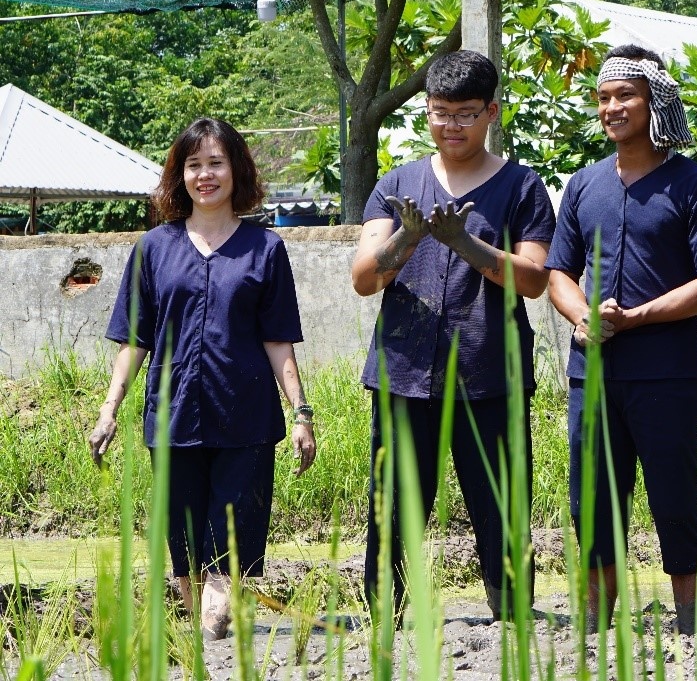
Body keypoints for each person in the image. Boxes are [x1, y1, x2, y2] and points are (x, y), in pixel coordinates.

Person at [88, 117, 315, 641]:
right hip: (172, 420)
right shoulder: (153, 249)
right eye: (194, 165)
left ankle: (215, 635)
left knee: (229, 551)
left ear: (236, 171)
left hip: (247, 421)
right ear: (179, 175)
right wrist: (108, 411)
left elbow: (278, 340)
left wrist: (301, 413)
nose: (205, 175)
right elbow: (134, 340)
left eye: (216, 163)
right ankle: (209, 643)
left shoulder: (266, 250)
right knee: (185, 548)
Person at [350, 50, 555, 619]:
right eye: (440, 113)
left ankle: (511, 611)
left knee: (501, 503)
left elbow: (535, 280)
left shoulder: (522, 187)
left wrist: (468, 245)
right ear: (426, 111)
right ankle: (384, 614)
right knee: (392, 505)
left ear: (491, 111)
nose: (452, 126)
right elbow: (365, 278)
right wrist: (406, 239)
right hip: (403, 374)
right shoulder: (397, 184)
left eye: (466, 113)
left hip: (489, 374)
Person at [546, 44, 697, 636]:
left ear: (655, 101)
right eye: (603, 98)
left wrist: (636, 317)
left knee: (674, 495)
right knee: (592, 499)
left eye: (624, 95)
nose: (612, 107)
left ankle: (692, 624)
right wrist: (583, 317)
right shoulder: (582, 186)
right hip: (592, 376)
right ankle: (597, 622)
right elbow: (558, 274)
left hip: (668, 374)